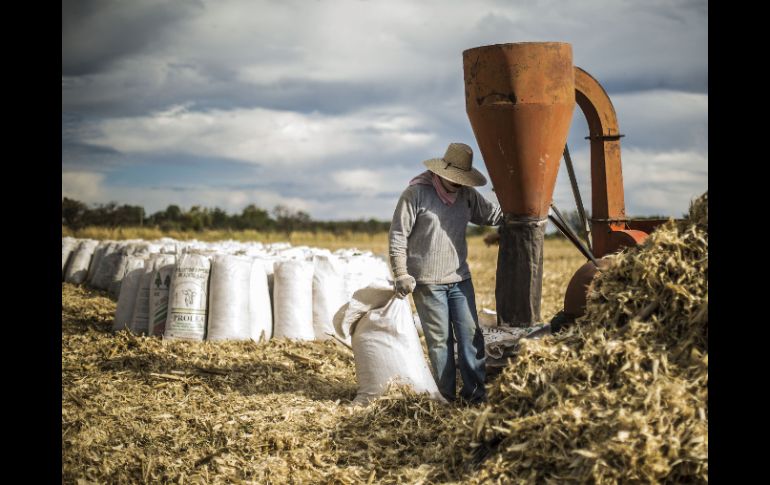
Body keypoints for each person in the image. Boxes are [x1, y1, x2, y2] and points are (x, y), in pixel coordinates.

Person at [388, 142, 502, 404]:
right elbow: (397, 235)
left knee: (471, 338)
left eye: (463, 180)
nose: (459, 184)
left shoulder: (467, 195)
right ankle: (445, 398)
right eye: (455, 179)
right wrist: (401, 273)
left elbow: (492, 215)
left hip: (460, 279)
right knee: (440, 342)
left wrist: (523, 205)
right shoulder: (415, 194)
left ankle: (475, 397)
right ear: (442, 172)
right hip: (427, 281)